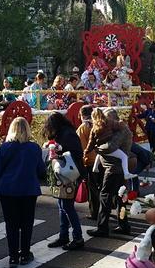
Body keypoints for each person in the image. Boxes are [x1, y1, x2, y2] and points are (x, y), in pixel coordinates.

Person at [0, 117, 45, 268]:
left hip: (8, 190)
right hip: (28, 190)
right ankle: (25, 254)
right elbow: (41, 170)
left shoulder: (5, 147)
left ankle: (13, 256)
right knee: (27, 223)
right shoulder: (34, 148)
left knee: (11, 224)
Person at [87, 108, 134, 237]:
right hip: (116, 169)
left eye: (106, 119)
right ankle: (123, 225)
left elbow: (111, 146)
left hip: (114, 169)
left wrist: (96, 148)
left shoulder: (121, 130)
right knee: (120, 199)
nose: (104, 122)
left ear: (112, 118)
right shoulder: (116, 129)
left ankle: (102, 227)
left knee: (105, 196)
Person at [43, 112, 86, 251]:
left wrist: (59, 151)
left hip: (70, 175)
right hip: (64, 173)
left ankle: (77, 237)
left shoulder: (67, 134)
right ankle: (64, 236)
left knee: (67, 206)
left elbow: (76, 153)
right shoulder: (63, 133)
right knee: (62, 205)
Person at [84, 109, 136, 180]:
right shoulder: (108, 122)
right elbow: (119, 125)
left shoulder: (94, 129)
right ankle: (126, 173)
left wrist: (86, 151)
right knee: (124, 156)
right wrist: (123, 125)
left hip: (101, 148)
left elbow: (91, 142)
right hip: (109, 148)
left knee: (100, 152)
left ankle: (95, 167)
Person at [76, 105, 102, 220]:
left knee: (93, 189)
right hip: (103, 159)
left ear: (82, 115)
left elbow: (82, 147)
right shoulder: (99, 124)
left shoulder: (83, 127)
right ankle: (106, 209)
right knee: (102, 187)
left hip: (90, 161)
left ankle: (94, 212)